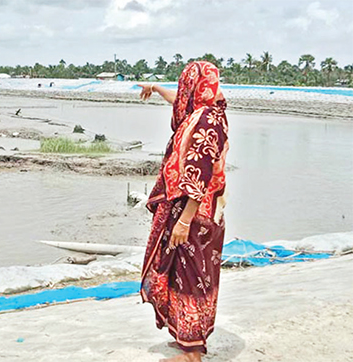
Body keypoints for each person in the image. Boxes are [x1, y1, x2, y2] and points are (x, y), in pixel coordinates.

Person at [137, 61, 229, 362]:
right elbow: (181, 102)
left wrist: (183, 221)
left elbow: (199, 173)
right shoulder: (207, 111)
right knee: (189, 274)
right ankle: (191, 339)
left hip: (196, 213)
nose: (183, 92)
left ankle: (191, 354)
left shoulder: (207, 121)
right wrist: (156, 88)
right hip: (203, 210)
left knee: (191, 276)